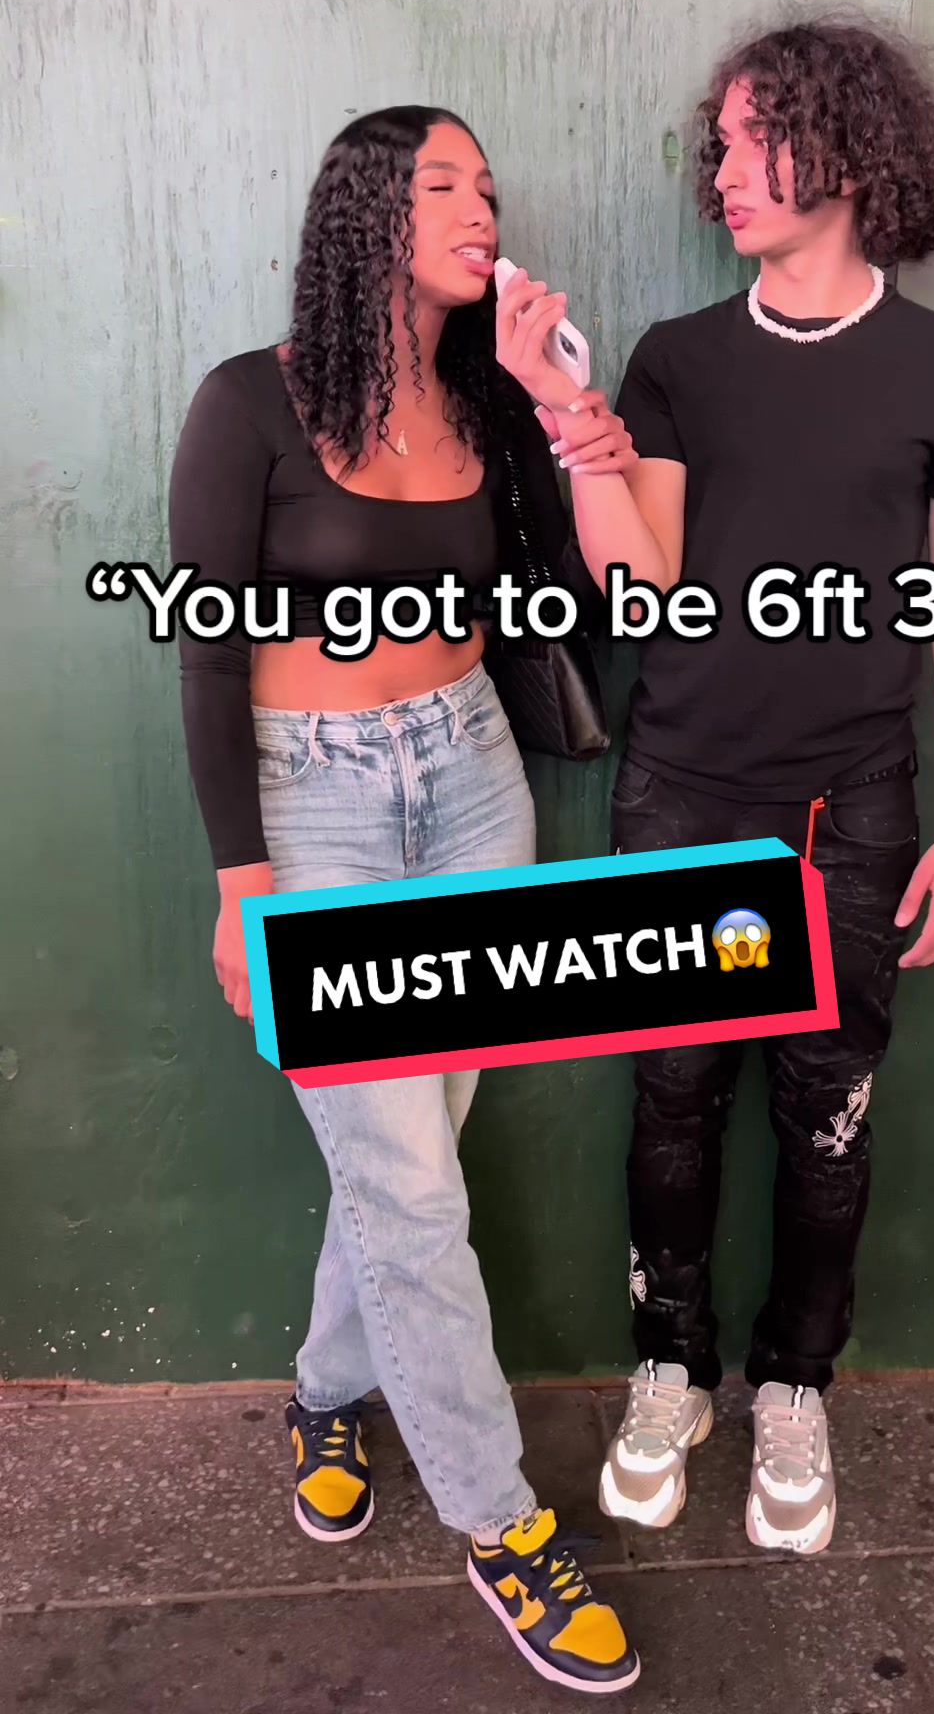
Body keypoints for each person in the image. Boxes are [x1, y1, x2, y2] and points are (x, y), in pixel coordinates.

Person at [496, 18, 934, 1555]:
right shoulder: (676, 362)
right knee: (672, 1102)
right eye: (715, 143)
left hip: (854, 810)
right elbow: (641, 591)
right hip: (682, 795)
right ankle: (670, 1367)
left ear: (843, 150)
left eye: (748, 140)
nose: (716, 169)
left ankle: (796, 1383)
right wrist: (577, 435)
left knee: (826, 1114)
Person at [168, 106, 639, 1693]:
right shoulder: (249, 402)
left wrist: (559, 401)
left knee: (410, 1157)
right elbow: (208, 654)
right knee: (414, 1193)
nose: (479, 207)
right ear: (368, 209)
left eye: (488, 188)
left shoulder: (488, 404)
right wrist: (243, 884)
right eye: (445, 183)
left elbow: (588, 605)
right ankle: (505, 1527)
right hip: (314, 808)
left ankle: (323, 1394)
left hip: (475, 786)